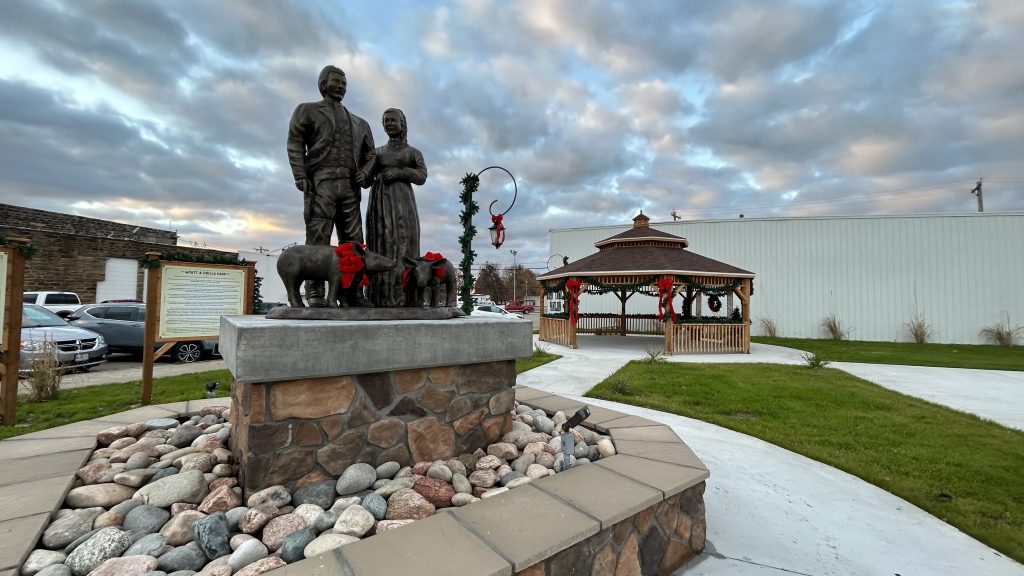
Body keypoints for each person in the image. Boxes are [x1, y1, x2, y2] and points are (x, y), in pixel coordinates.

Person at [286, 65, 375, 306]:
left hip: (349, 186)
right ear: (323, 84)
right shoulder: (307, 111)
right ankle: (315, 292)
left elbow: (371, 155)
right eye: (337, 81)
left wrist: (365, 174)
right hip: (321, 182)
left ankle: (353, 292)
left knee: (354, 243)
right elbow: (295, 143)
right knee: (317, 239)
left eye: (345, 82)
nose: (342, 86)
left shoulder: (360, 123)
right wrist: (300, 174)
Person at [365, 108, 428, 307]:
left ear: (402, 123)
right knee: (381, 242)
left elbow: (422, 176)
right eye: (386, 121)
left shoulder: (413, 152)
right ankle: (379, 296)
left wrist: (400, 172)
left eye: (393, 120)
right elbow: (365, 179)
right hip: (379, 204)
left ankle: (405, 295)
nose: (389, 124)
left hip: (402, 203)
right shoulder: (377, 152)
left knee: (402, 243)